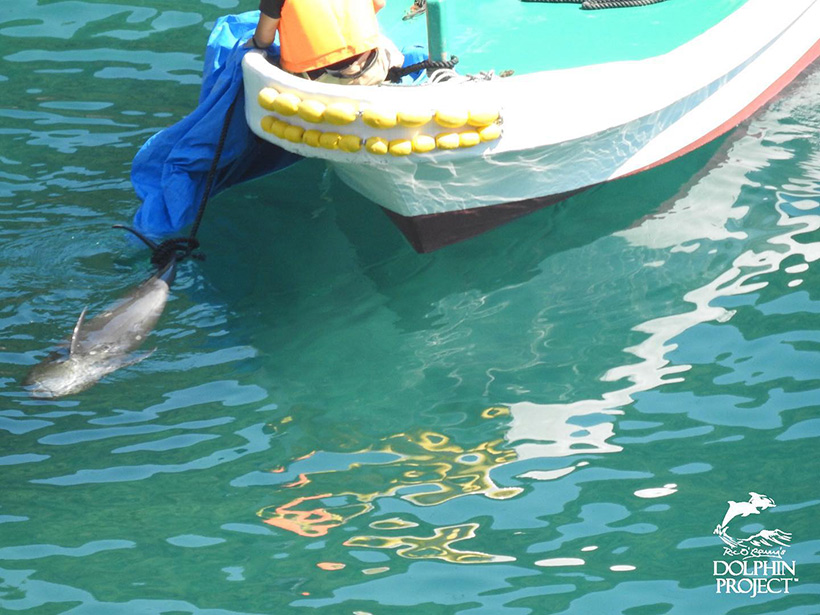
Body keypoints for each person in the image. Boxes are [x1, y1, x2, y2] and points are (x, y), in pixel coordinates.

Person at [249, 0, 404, 86]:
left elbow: (263, 40)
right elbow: (379, 4)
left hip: (318, 85)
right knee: (383, 42)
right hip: (372, 69)